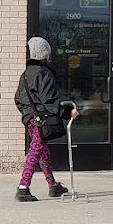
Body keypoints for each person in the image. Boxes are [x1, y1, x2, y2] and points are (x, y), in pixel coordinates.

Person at [13, 37, 77, 202]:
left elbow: (18, 99)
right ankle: (23, 188)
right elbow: (50, 99)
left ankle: (53, 185)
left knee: (42, 151)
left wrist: (27, 113)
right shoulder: (43, 73)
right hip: (41, 119)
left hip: (30, 119)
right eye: (48, 54)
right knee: (35, 151)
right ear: (44, 55)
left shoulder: (25, 74)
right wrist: (67, 112)